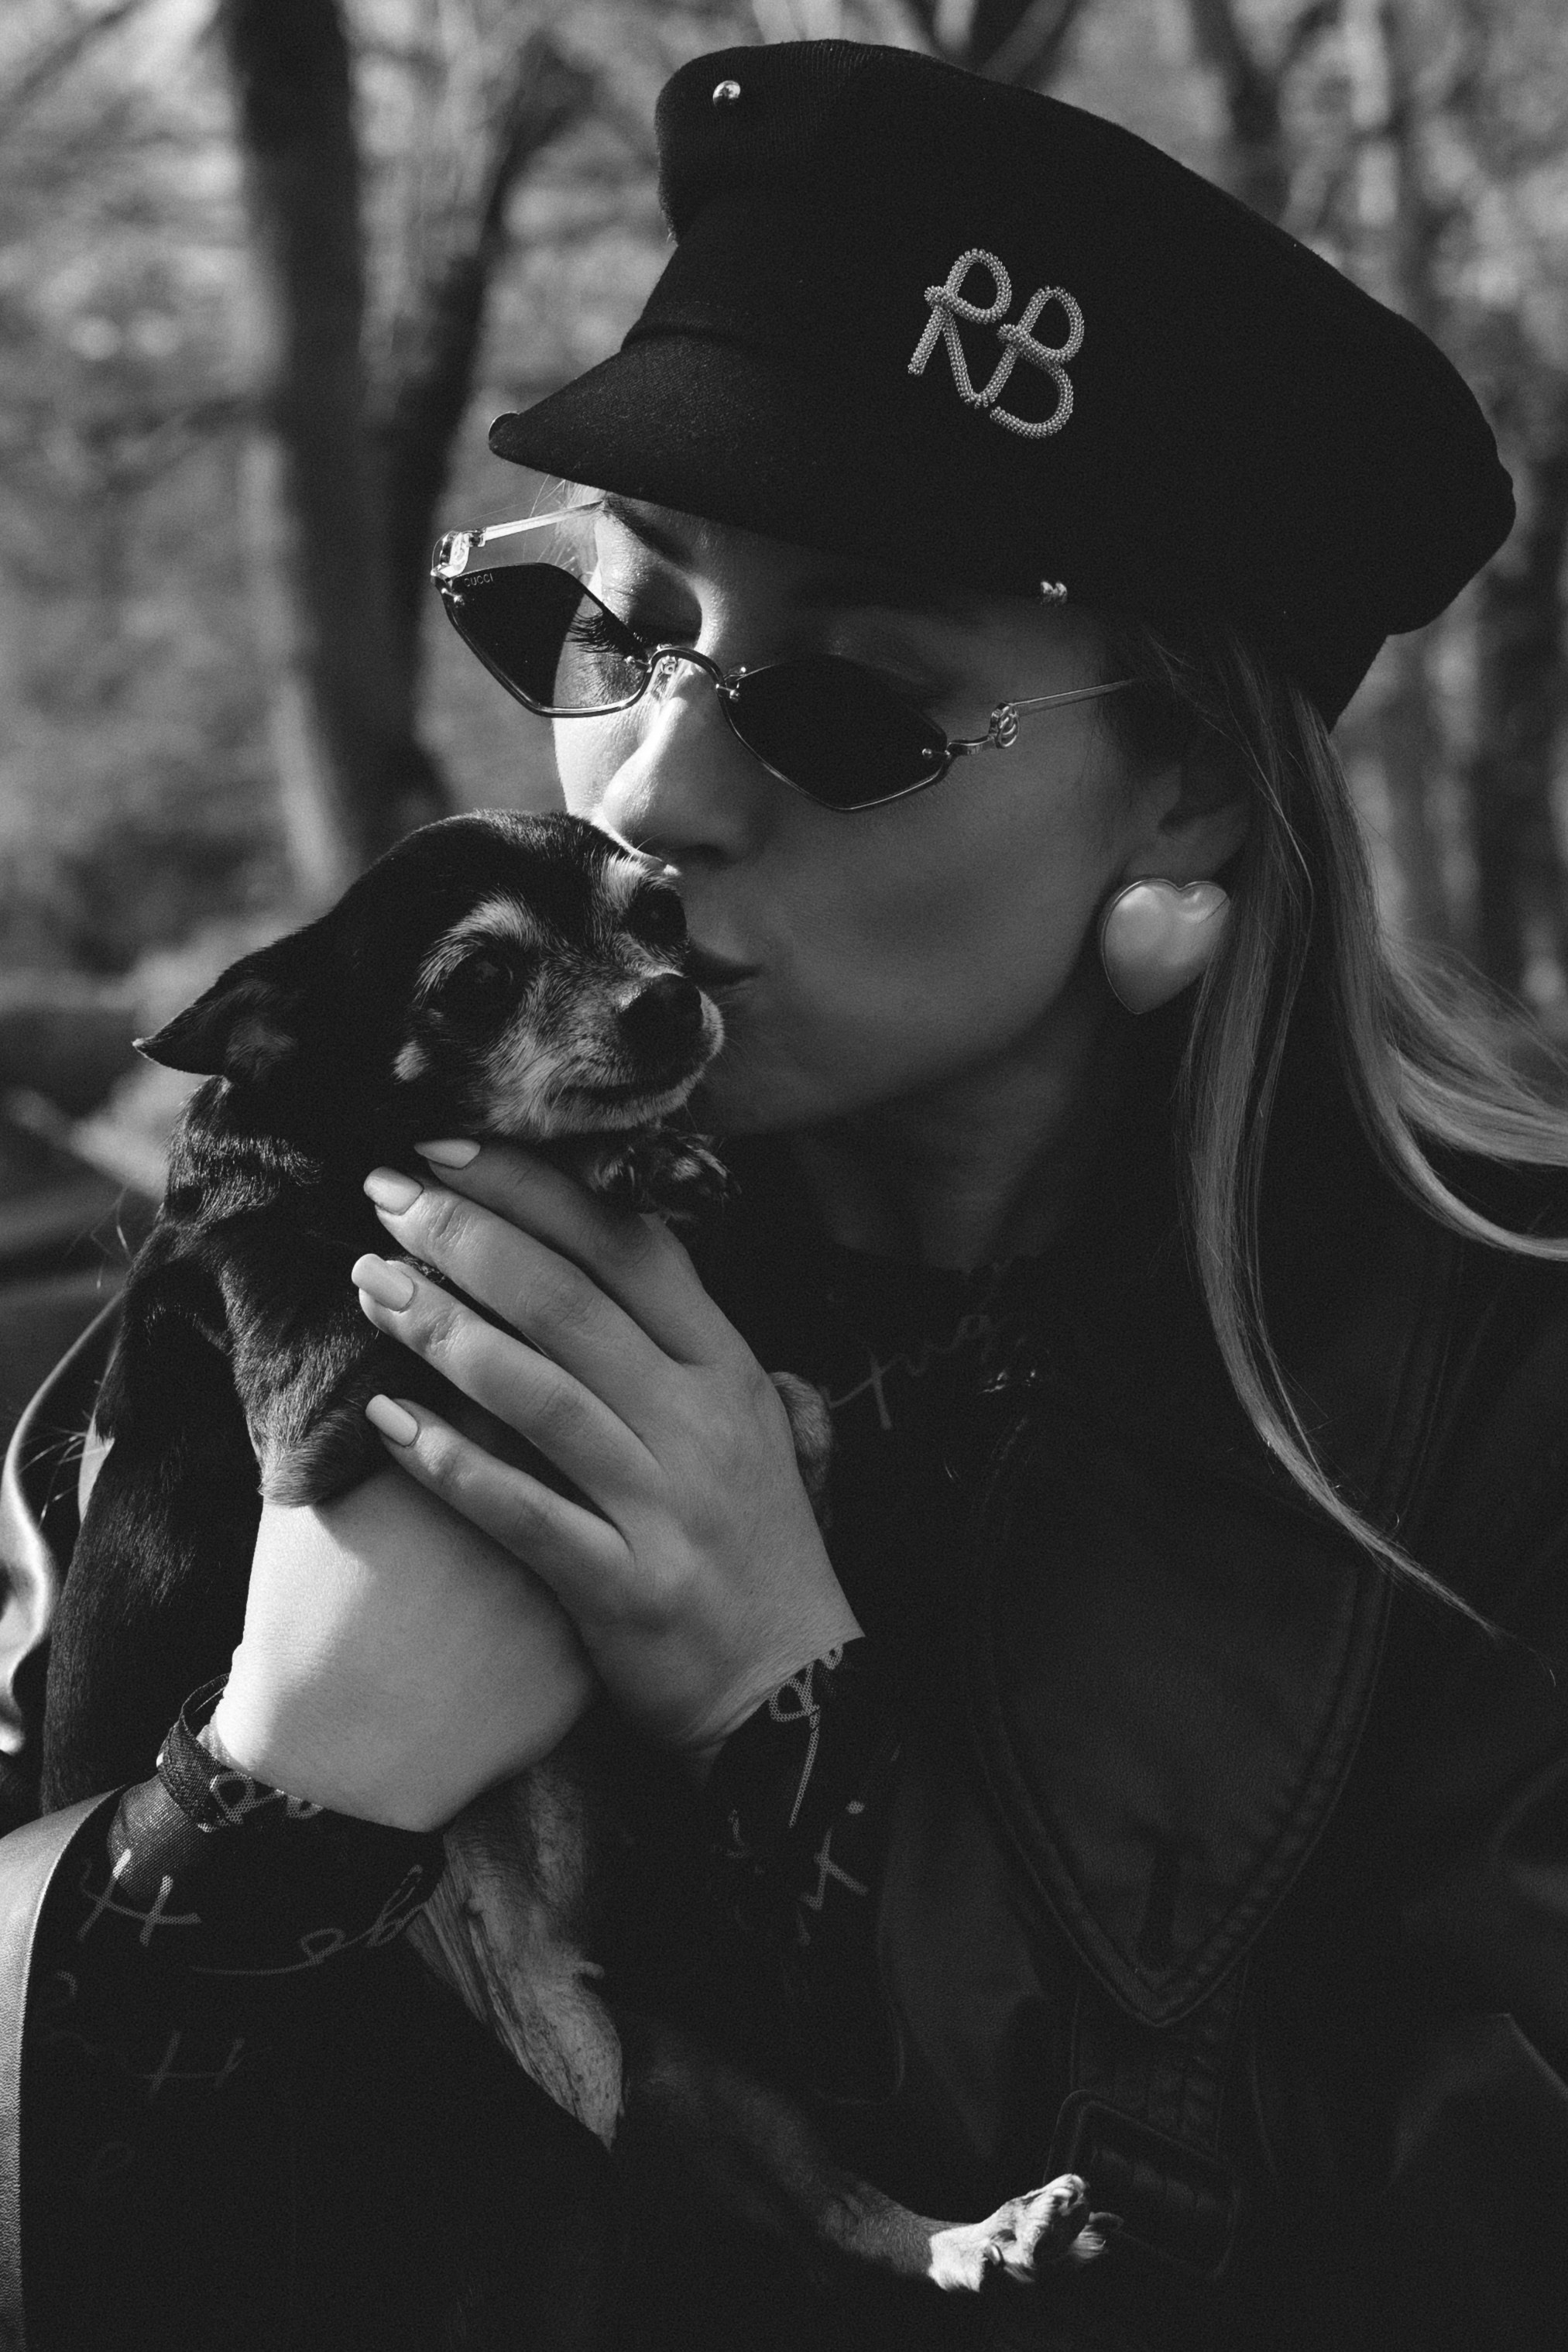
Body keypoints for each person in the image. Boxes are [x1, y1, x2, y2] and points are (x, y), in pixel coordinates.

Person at [2, 34, 1566, 2352]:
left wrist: (780, 1718)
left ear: (1187, 799)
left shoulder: (1503, 1399)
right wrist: (264, 1806)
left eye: (846, 705)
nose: (648, 784)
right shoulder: (312, 1260)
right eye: (604, 625)